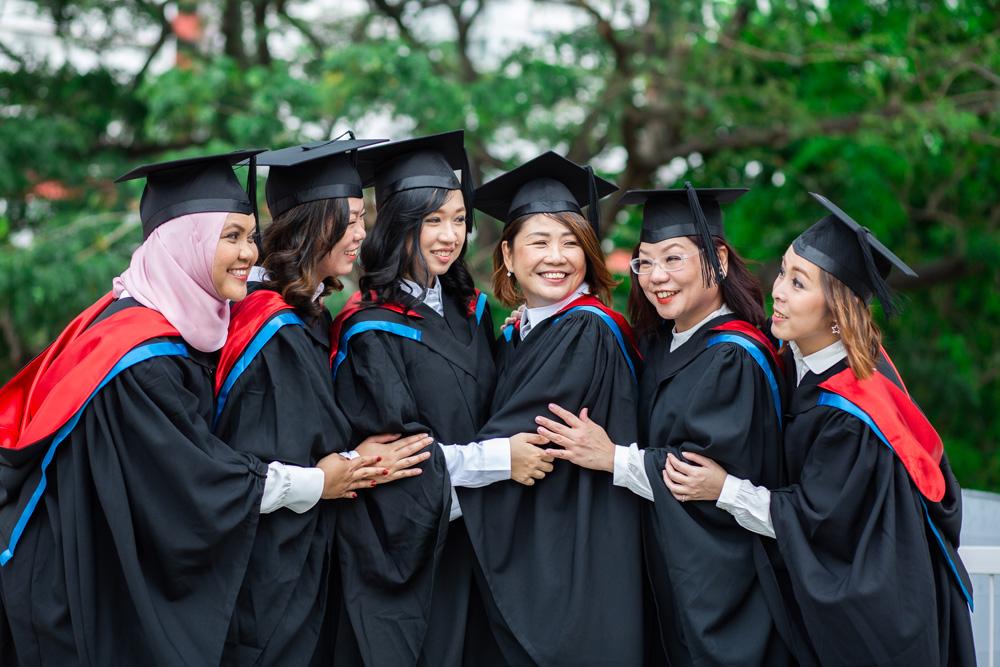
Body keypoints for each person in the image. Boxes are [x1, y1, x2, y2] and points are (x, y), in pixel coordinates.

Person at [0, 151, 381, 666]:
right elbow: (196, 479)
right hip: (69, 584)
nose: (250, 252)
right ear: (184, 243)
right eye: (231, 237)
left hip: (103, 561)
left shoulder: (172, 323)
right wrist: (319, 481)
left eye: (251, 235)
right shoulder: (139, 357)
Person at [664, 193, 976, 666]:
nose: (778, 291)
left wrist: (724, 488)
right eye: (783, 272)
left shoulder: (851, 410)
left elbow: (815, 520)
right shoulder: (803, 363)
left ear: (836, 311)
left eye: (798, 282)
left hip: (878, 616)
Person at [535, 184, 792, 666]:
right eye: (644, 261)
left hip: (725, 592)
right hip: (668, 581)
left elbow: (699, 476)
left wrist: (611, 457)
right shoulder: (660, 344)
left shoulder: (734, 355)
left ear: (715, 258)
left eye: (673, 259)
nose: (656, 277)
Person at [211, 137, 433, 665]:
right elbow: (282, 451)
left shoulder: (303, 313)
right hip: (267, 575)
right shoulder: (272, 328)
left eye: (364, 218)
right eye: (351, 218)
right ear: (313, 221)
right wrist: (357, 461)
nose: (362, 233)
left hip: (295, 563)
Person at [330, 131, 548, 666]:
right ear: (401, 223)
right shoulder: (369, 328)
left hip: (477, 543)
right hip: (410, 555)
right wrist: (500, 461)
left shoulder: (468, 310)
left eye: (458, 218)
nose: (450, 236)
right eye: (433, 221)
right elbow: (399, 461)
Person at [457, 151, 644, 667]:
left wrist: (417, 483)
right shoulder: (523, 332)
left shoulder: (585, 331)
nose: (556, 257)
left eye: (571, 242)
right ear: (508, 256)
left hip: (572, 566)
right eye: (539, 242)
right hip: (549, 556)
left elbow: (522, 442)